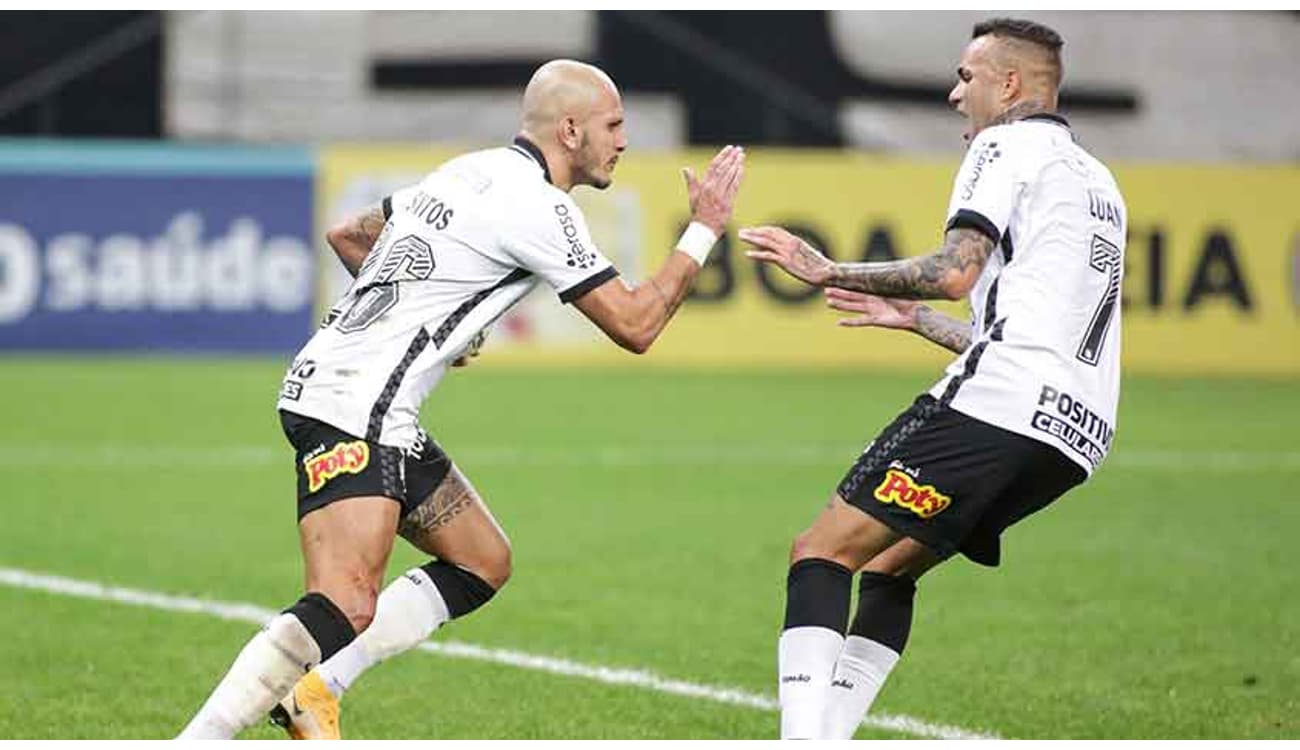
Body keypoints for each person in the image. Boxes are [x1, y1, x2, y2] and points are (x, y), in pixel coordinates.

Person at [177, 59, 745, 740]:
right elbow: (635, 323)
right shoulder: (539, 206)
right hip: (357, 405)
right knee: (345, 601)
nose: (623, 140)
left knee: (481, 561)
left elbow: (352, 236)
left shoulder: (467, 170)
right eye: (613, 125)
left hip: (355, 394)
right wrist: (704, 228)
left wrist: (435, 322)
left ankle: (315, 690)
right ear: (569, 130)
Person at [740, 18, 1125, 739]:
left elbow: (953, 272)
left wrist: (827, 269)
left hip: (1000, 405)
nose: (955, 95)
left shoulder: (1005, 145)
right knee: (889, 567)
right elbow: (1020, 326)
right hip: (1076, 435)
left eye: (967, 77)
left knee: (821, 551)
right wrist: (917, 324)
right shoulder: (1097, 180)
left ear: (1010, 86)